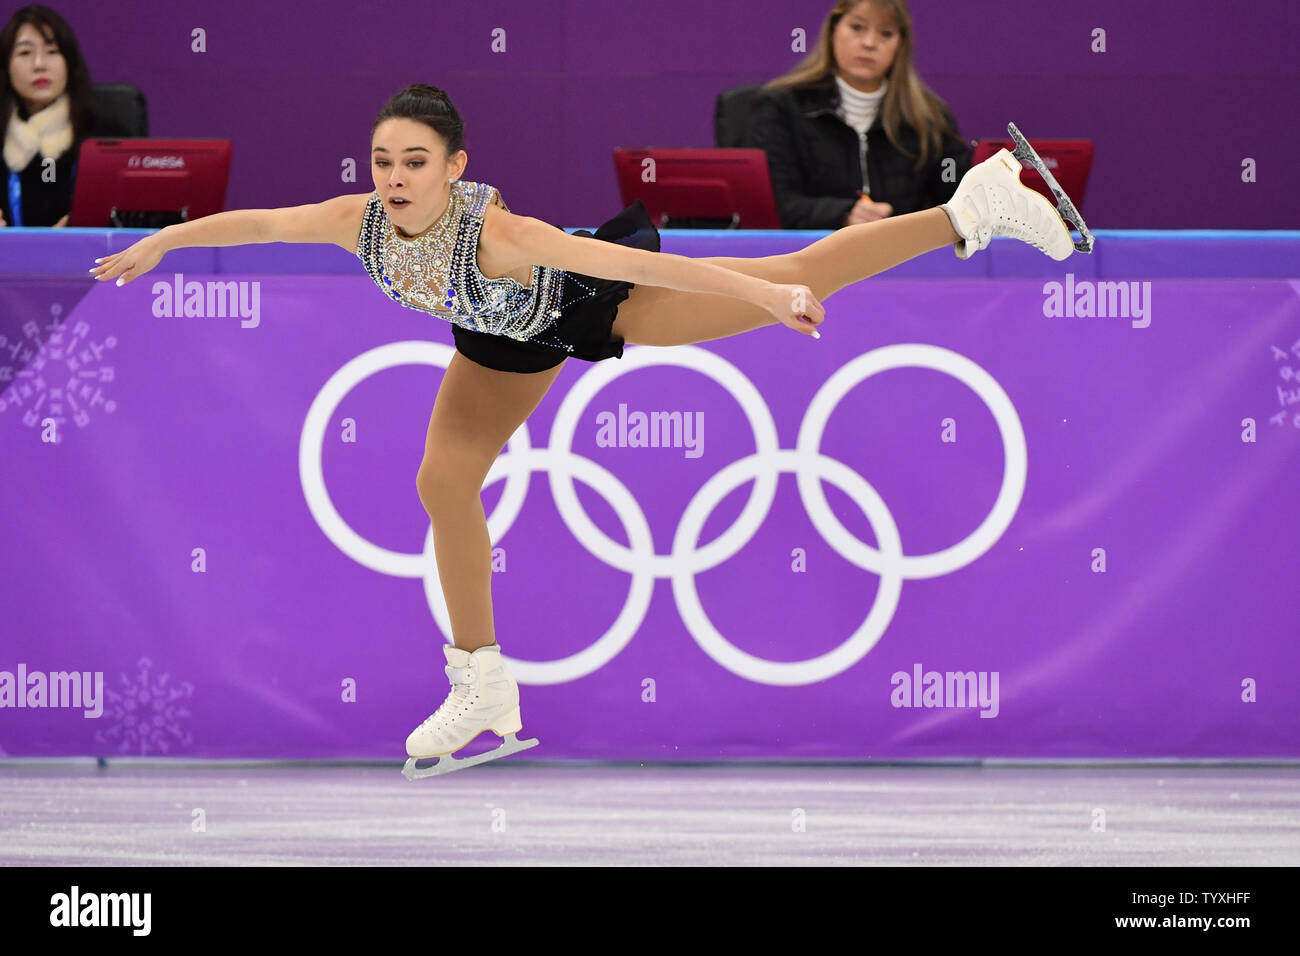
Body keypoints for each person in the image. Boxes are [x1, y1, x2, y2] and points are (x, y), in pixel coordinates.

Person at [89, 83, 1079, 774]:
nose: (395, 175)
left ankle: (972, 207)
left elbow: (658, 272)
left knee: (807, 270)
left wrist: (755, 290)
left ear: (456, 166)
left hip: (592, 307)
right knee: (442, 483)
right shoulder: (355, 218)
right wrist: (158, 243)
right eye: (385, 159)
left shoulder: (506, 235)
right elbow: (256, 222)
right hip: (495, 344)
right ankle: (483, 683)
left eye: (416, 161)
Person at [743, 0, 972, 230]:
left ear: (900, 45)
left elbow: (956, 203)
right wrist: (842, 213)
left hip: (905, 257)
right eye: (857, 27)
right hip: (809, 255)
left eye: (886, 33)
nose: (869, 43)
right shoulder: (782, 107)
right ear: (833, 30)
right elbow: (773, 204)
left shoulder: (930, 118)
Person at [1, 6, 101, 228]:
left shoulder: (104, 133)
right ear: (6, 66)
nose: (39, 65)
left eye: (52, 51)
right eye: (25, 53)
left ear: (69, 62)